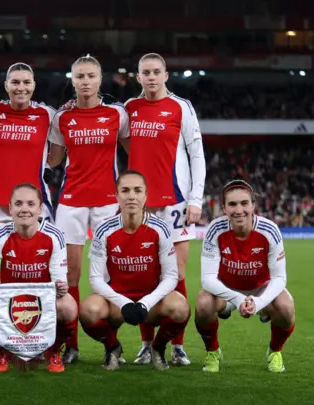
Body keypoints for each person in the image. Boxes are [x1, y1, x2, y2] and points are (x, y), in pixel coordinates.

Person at [125, 52, 206, 366]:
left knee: (178, 275)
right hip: (139, 204)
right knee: (144, 273)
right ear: (138, 77)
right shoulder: (130, 109)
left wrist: (196, 199)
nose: (151, 77)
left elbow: (196, 155)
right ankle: (146, 344)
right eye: (145, 72)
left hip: (175, 201)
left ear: (166, 75)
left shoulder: (181, 107)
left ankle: (177, 346)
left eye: (156, 72)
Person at [48, 55, 129, 364]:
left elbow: (133, 151)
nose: (84, 81)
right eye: (79, 76)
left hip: (108, 201)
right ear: (72, 80)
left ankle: (112, 344)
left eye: (90, 76)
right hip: (70, 201)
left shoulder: (116, 114)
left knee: (109, 275)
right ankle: (72, 346)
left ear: (100, 80)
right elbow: (54, 160)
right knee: (70, 274)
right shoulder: (61, 118)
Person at [80, 170, 189, 371]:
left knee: (181, 308)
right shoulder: (104, 230)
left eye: (138, 190)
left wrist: (146, 303)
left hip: (152, 303)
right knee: (88, 310)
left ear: (146, 196)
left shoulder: (160, 228)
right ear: (117, 196)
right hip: (116, 302)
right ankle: (112, 347)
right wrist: (124, 304)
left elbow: (171, 276)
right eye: (125, 190)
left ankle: (157, 347)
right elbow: (95, 279)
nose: (131, 196)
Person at [0, 183, 76, 373]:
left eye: (30, 204)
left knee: (68, 306)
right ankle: (1, 350)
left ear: (40, 208)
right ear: (10, 209)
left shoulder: (55, 236)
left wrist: (61, 286)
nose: (24, 209)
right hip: (11, 303)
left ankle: (53, 350)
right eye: (18, 204)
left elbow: (59, 277)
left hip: (42, 303)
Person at [196, 180, 294, 373]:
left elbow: (280, 278)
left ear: (253, 205)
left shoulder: (270, 230)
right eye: (232, 204)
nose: (239, 210)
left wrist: (258, 302)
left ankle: (275, 351)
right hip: (226, 290)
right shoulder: (215, 230)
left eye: (244, 203)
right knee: (203, 303)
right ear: (223, 208)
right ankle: (213, 352)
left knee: (286, 305)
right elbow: (207, 278)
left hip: (260, 289)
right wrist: (238, 298)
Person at [0, 62, 57, 235]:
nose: (21, 88)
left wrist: (47, 164)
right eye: (15, 82)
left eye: (26, 82)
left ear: (34, 85)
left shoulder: (48, 115)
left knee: (39, 259)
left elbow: (68, 133)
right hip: (1, 205)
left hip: (37, 205)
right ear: (6, 85)